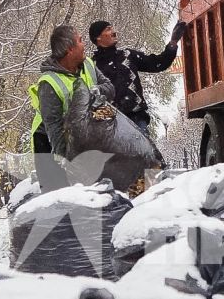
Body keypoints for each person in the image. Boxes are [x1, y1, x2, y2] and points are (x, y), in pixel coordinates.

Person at [28, 23, 97, 192]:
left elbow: (107, 87)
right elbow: (55, 130)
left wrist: (97, 93)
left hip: (78, 136)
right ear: (69, 49)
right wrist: (71, 163)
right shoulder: (49, 83)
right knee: (59, 198)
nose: (84, 44)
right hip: (48, 143)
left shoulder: (87, 64)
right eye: (80, 41)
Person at [89, 17, 186, 134]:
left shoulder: (128, 55)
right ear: (98, 37)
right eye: (108, 29)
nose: (114, 32)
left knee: (145, 152)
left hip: (138, 120)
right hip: (110, 126)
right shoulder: (92, 66)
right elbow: (90, 99)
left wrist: (173, 43)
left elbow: (158, 64)